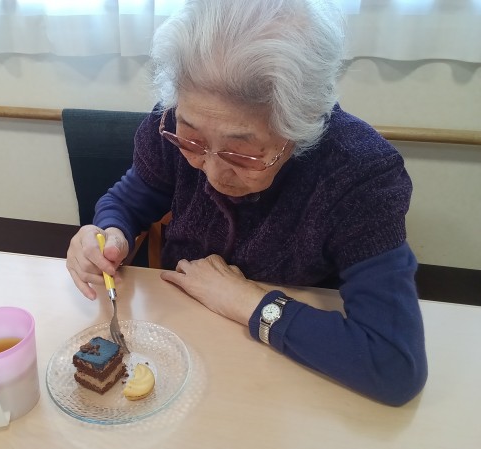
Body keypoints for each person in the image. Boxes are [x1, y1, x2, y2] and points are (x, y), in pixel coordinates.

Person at [66, 0, 427, 406]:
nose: (212, 173)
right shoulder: (169, 122)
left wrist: (244, 300)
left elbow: (393, 364)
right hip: (178, 340)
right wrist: (109, 232)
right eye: (192, 141)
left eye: (242, 154)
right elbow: (130, 198)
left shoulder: (358, 173)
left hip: (288, 373)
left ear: (302, 126)